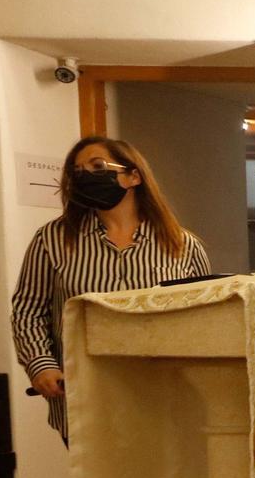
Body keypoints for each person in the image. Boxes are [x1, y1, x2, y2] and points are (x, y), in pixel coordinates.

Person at [11, 136, 212, 440]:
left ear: (134, 176)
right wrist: (41, 365)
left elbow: (204, 317)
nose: (86, 176)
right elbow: (28, 312)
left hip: (163, 396)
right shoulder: (53, 239)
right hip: (85, 395)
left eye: (97, 166)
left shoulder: (181, 244)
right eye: (77, 171)